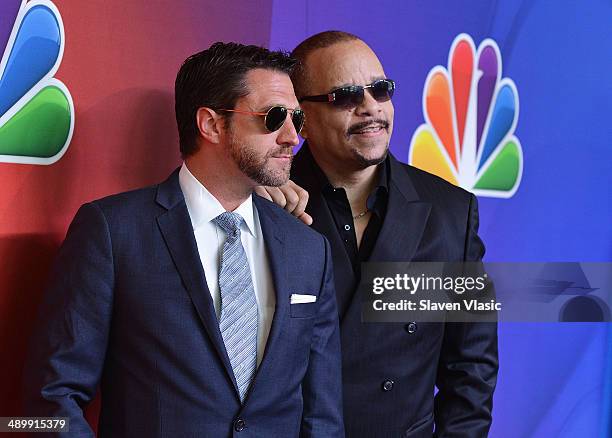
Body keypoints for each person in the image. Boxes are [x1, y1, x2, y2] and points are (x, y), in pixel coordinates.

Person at [23, 42, 344, 438]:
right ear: (210, 124)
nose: (292, 137)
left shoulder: (308, 249)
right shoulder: (112, 231)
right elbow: (51, 396)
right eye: (274, 117)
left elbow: (322, 415)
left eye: (297, 118)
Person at [256, 31, 498, 437]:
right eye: (346, 96)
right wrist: (257, 198)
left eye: (380, 91)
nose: (371, 109)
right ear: (302, 118)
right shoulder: (261, 202)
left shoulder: (451, 211)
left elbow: (471, 367)